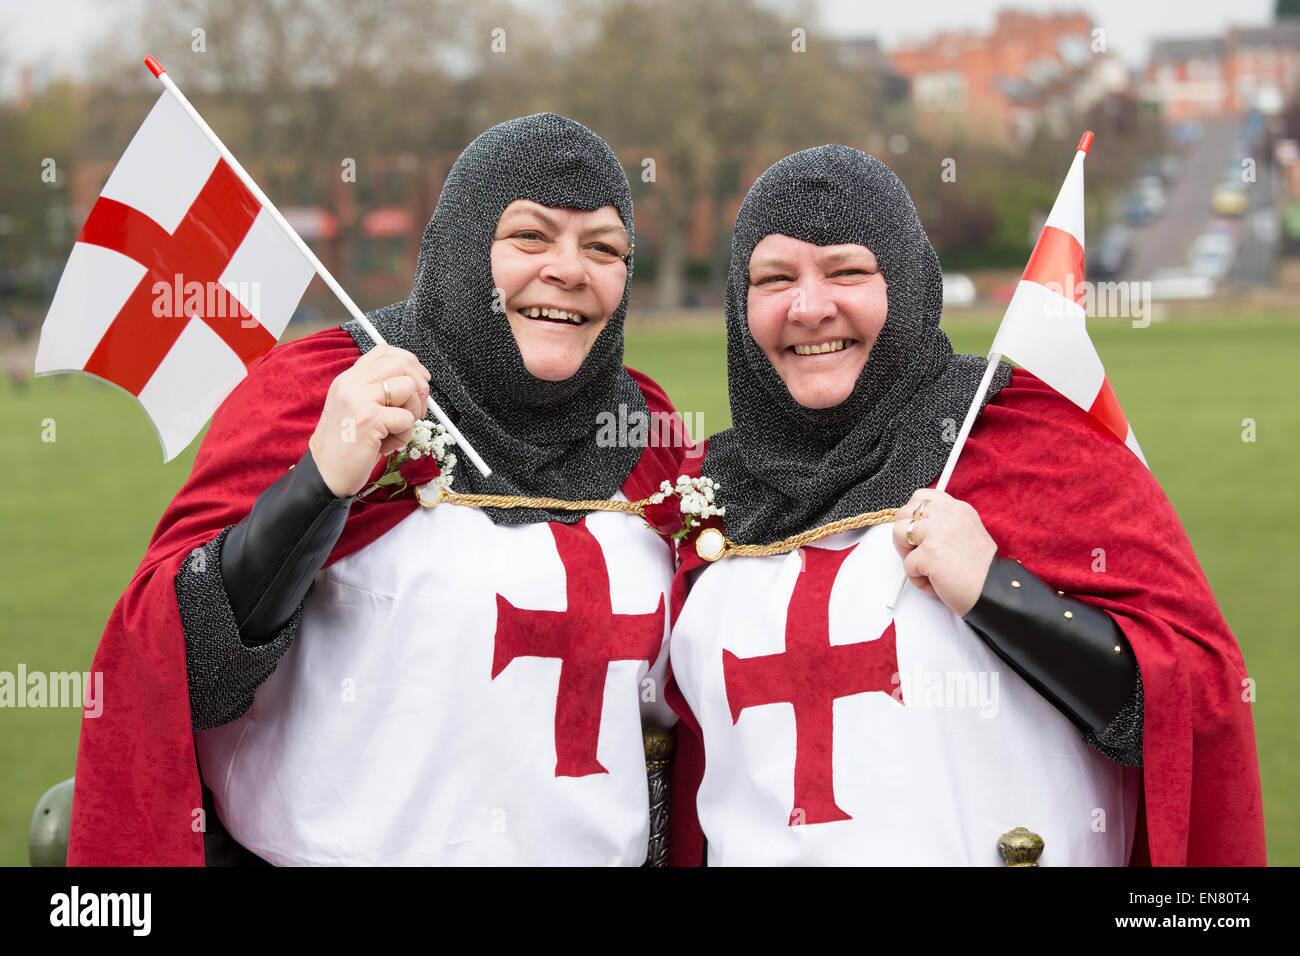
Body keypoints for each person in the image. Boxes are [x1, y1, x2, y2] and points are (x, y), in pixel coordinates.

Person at [67, 113, 689, 866]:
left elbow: (695, 709)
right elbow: (170, 666)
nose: (569, 269)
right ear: (463, 245)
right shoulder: (317, 391)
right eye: (531, 236)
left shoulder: (651, 436)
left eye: (604, 247)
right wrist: (318, 484)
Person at [664, 145, 1265, 866]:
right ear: (739, 303)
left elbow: (1196, 706)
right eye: (775, 278)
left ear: (909, 282)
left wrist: (999, 592)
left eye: (848, 271)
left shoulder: (1031, 444)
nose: (810, 306)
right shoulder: (704, 500)